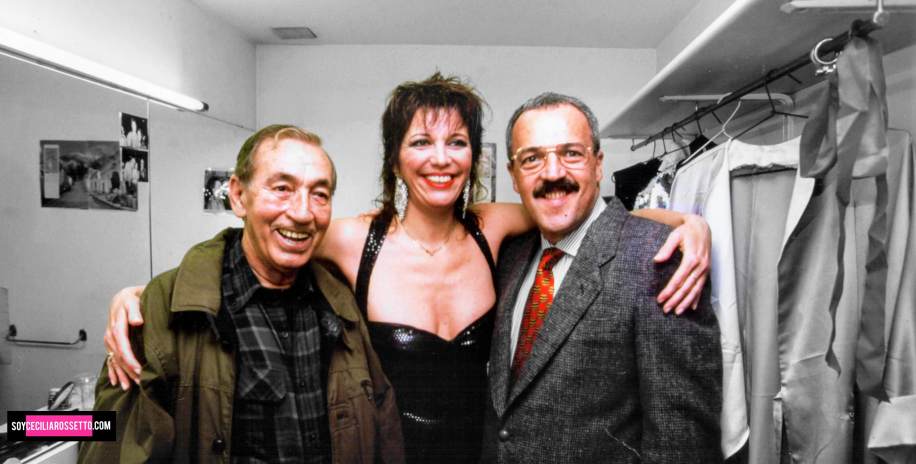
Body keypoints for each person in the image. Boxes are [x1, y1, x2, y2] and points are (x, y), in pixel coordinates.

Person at [101, 74, 712, 462]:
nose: (440, 159)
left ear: (475, 158)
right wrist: (144, 296)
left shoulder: (495, 228)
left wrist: (687, 224)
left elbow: (573, 208)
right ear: (395, 158)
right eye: (420, 142)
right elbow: (258, 244)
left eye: (457, 143)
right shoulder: (350, 240)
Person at [79, 125, 404, 463]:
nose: (303, 212)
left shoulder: (340, 307)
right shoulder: (163, 310)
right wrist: (41, 425)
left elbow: (383, 424)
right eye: (282, 189)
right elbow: (103, 433)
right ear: (237, 195)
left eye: (320, 194)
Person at [482, 92, 722, 462]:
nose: (553, 173)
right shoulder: (511, 256)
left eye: (571, 154)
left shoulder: (659, 259)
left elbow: (682, 439)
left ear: (597, 165)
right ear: (514, 177)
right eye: (532, 158)